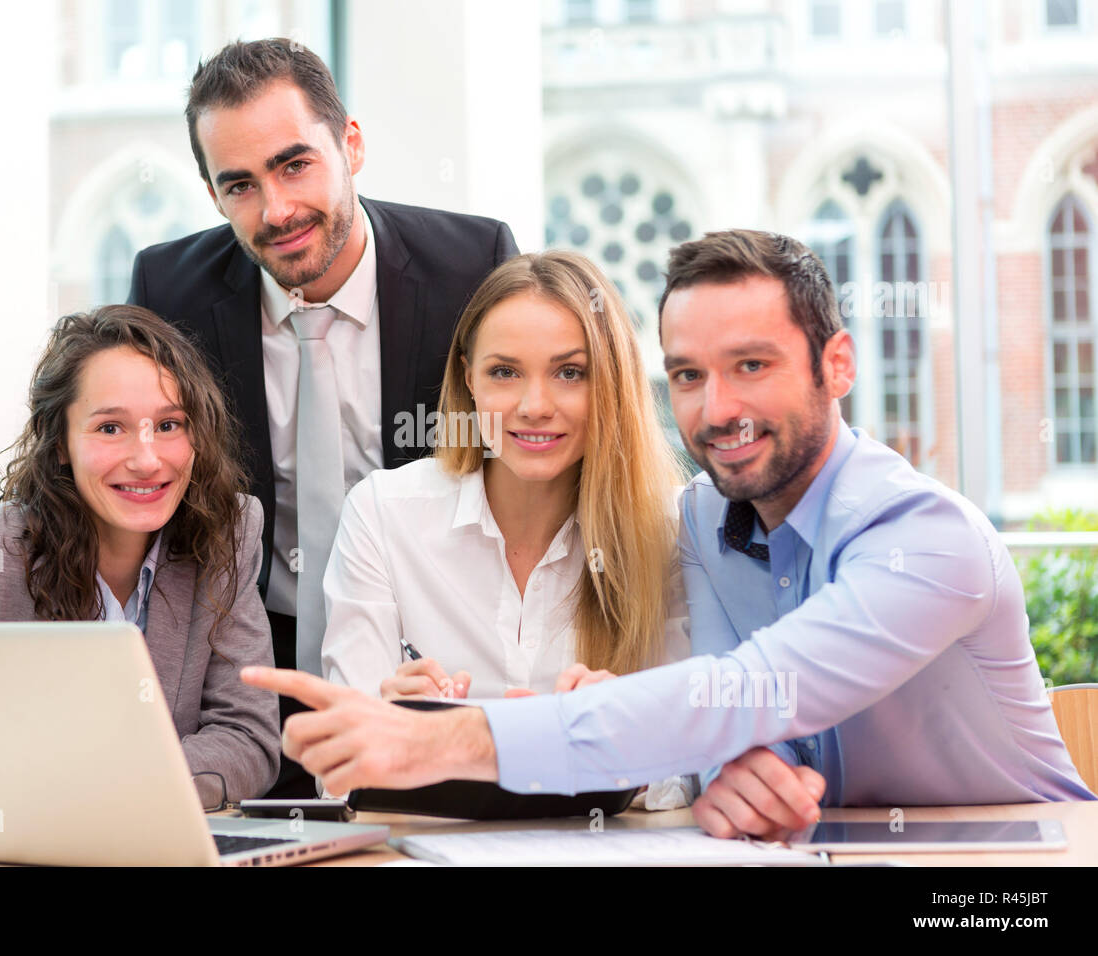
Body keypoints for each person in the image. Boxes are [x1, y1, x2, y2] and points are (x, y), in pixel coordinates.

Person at [241, 229, 1096, 837]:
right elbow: (723, 726)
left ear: (837, 364)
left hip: (1009, 871)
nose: (716, 409)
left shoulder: (929, 539)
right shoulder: (706, 524)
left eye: (751, 366)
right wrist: (727, 772)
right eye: (689, 375)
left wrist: (443, 736)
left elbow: (747, 690)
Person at [128, 38, 517, 796]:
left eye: (294, 164)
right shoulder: (168, 290)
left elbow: (514, 468)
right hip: (246, 670)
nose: (276, 210)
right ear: (212, 195)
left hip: (428, 659)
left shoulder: (474, 266)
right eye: (239, 184)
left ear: (352, 145)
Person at [0, 305, 280, 822]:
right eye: (110, 428)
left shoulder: (226, 532)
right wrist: (32, 798)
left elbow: (248, 740)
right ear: (60, 444)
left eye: (169, 424)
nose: (147, 458)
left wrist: (109, 789)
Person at [319, 251, 693, 806]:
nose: (533, 406)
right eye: (504, 372)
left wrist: (628, 739)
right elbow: (338, 776)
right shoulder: (382, 512)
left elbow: (693, 768)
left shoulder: (670, 529)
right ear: (467, 378)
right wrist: (390, 729)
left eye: (570, 372)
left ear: (612, 382)